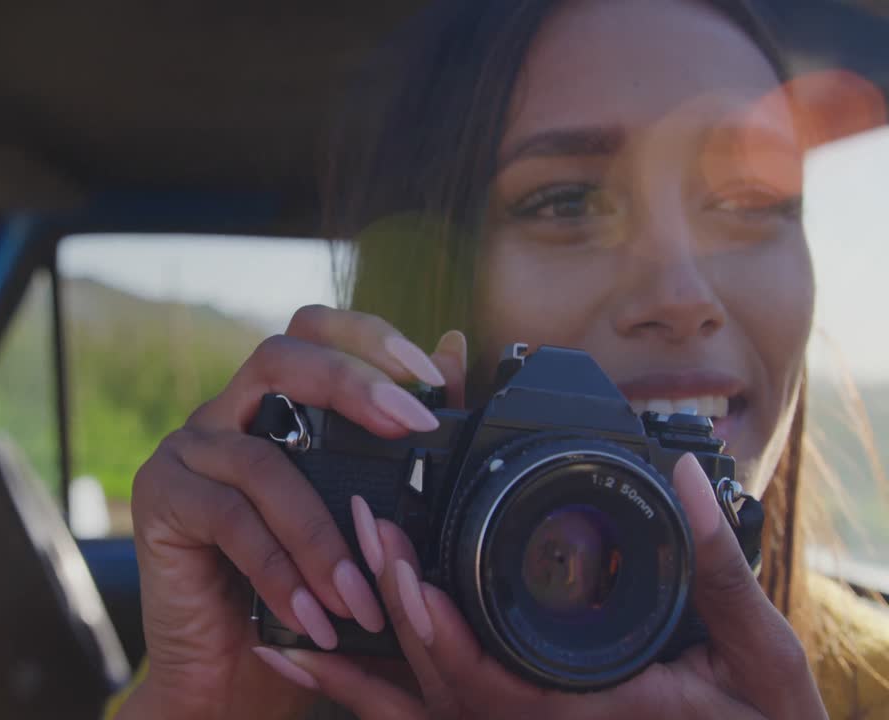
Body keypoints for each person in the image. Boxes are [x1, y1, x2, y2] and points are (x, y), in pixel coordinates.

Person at [109, 0, 889, 717]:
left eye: (751, 200)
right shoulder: (285, 668)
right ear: (428, 277)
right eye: (566, 202)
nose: (683, 292)